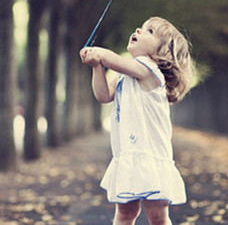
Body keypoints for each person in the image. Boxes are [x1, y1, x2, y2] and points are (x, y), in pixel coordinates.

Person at [79, 16, 193, 225]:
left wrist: (100, 53)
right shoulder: (125, 73)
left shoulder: (149, 70)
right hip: (129, 156)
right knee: (124, 214)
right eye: (140, 27)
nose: (139, 30)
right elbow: (104, 95)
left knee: (157, 216)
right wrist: (97, 66)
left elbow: (114, 60)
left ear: (161, 51)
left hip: (153, 156)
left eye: (149, 31)